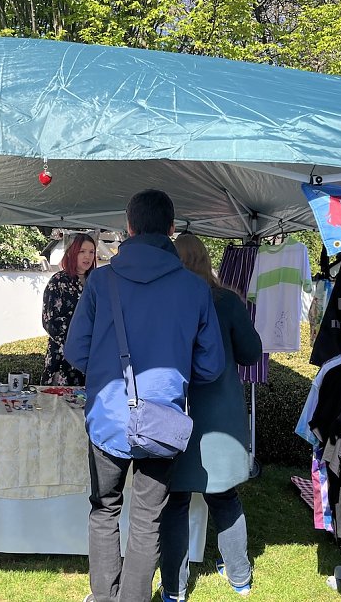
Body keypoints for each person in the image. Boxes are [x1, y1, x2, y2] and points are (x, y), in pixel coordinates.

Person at [65, 190, 225, 602]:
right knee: (147, 519)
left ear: (128, 227)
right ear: (172, 230)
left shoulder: (101, 281)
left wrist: (107, 373)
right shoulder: (195, 289)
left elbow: (75, 350)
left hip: (107, 417)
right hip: (162, 421)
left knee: (104, 511)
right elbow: (210, 366)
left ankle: (105, 597)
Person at [159, 233, 262, 601]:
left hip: (174, 412)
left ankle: (173, 588)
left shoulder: (165, 300)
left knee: (175, 503)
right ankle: (240, 579)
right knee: (224, 498)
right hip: (220, 415)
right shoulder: (227, 301)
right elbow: (251, 354)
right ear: (206, 259)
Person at [40, 233, 97, 386]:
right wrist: (80, 337)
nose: (88, 256)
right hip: (63, 356)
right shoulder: (58, 281)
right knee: (59, 406)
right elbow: (50, 321)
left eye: (91, 252)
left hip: (91, 357)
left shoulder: (96, 282)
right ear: (72, 253)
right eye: (82, 251)